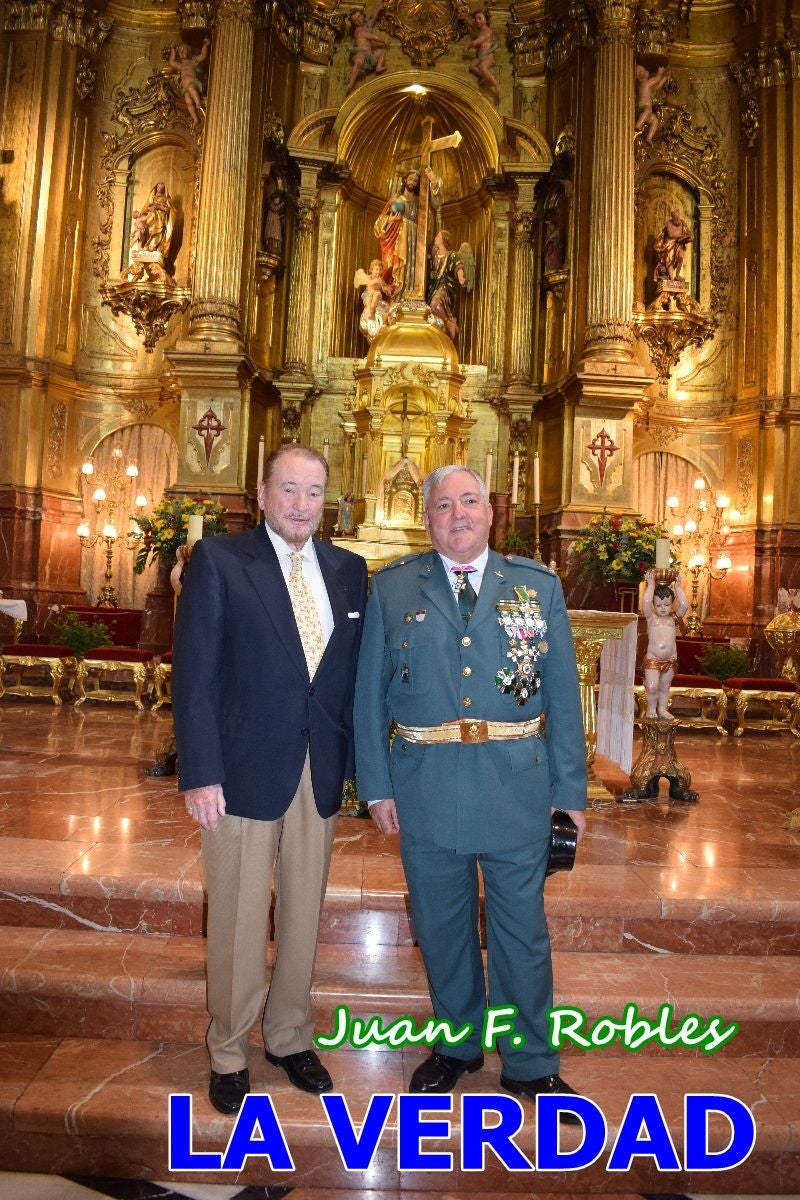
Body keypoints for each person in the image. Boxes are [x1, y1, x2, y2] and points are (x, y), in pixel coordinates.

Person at [353, 465, 587, 1114]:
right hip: (424, 787)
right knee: (443, 925)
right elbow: (368, 695)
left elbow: (563, 700)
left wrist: (569, 793)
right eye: (443, 505)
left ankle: (531, 1064)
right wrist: (374, 786)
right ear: (426, 517)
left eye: (470, 502)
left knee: (522, 932)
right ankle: (457, 1048)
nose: (457, 514)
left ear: (491, 513)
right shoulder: (394, 589)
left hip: (517, 788)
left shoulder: (537, 588)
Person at [172, 445, 367, 1115]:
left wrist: (361, 772)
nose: (300, 504)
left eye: (313, 492)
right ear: (263, 493)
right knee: (237, 913)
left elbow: (346, 684)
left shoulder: (349, 571)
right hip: (240, 770)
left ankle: (288, 1036)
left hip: (318, 770)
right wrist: (200, 771)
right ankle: (228, 1047)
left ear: (326, 500)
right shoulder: (222, 561)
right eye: (289, 489)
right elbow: (195, 675)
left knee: (305, 914)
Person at [374, 167, 440, 298]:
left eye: (415, 181)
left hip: (414, 236)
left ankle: (410, 293)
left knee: (412, 264)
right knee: (396, 264)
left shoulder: (419, 199)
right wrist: (392, 219)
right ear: (405, 180)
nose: (412, 183)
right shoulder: (396, 198)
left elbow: (435, 204)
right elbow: (379, 221)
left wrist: (433, 180)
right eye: (410, 179)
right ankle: (397, 295)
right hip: (397, 236)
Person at [641, 569, 689, 720]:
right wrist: (651, 585)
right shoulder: (651, 618)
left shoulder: (674, 618)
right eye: (659, 604)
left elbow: (684, 605)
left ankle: (662, 709)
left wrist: (678, 587)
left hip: (670, 660)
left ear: (671, 604)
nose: (663, 608)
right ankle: (650, 709)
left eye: (667, 604)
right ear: (654, 605)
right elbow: (646, 602)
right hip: (653, 659)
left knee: (665, 686)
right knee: (652, 686)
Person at [426, 230, 473, 342]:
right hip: (433, 286)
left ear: (444, 239)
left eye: (438, 236)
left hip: (446, 286)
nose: (435, 238)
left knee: (435, 303)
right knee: (431, 308)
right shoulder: (434, 253)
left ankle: (449, 322)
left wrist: (461, 278)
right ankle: (442, 328)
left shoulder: (452, 255)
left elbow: (458, 266)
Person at [167, 38, 211, 127]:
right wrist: (173, 50)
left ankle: (198, 102)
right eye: (181, 52)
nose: (183, 54)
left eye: (185, 51)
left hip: (194, 83)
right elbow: (171, 62)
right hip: (185, 88)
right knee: (188, 101)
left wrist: (205, 46)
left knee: (191, 88)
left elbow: (203, 56)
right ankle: (195, 118)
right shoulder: (180, 65)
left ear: (190, 52)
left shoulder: (193, 61)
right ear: (178, 54)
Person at [346, 9, 389, 95]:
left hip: (369, 55)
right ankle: (351, 83)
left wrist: (379, 9)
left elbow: (372, 19)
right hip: (361, 52)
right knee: (359, 62)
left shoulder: (365, 27)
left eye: (359, 17)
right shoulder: (359, 30)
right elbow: (373, 37)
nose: (358, 21)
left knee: (381, 52)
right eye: (355, 21)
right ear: (354, 24)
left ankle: (379, 67)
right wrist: (383, 39)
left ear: (362, 15)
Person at [353, 258, 393, 341]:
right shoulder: (370, 277)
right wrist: (377, 281)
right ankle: (370, 311)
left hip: (377, 299)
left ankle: (372, 310)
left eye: (380, 269)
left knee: (378, 294)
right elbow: (369, 283)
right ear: (372, 270)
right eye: (376, 269)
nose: (378, 271)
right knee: (373, 295)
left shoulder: (381, 280)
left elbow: (384, 289)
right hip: (369, 296)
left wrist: (388, 289)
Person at [466, 9, 499, 100]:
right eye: (476, 19)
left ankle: (496, 85)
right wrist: (465, 17)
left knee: (483, 68)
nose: (477, 20)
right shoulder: (479, 29)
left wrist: (468, 45)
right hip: (480, 57)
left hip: (488, 56)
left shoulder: (487, 31)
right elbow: (471, 24)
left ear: (486, 20)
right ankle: (485, 76)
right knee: (472, 66)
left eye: (480, 18)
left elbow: (477, 41)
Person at [654, 208, 693, 282]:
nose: (677, 219)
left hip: (679, 243)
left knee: (680, 257)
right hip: (669, 244)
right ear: (672, 217)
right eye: (675, 217)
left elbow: (688, 232)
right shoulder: (668, 223)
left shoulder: (682, 223)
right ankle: (671, 279)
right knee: (669, 261)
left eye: (678, 217)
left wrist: (690, 236)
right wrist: (683, 236)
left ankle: (677, 275)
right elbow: (671, 235)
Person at [635, 61, 669, 144]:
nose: (643, 72)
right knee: (646, 109)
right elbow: (656, 79)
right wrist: (660, 72)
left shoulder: (648, 85)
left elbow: (657, 87)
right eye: (640, 72)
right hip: (641, 108)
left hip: (647, 112)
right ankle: (637, 126)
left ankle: (649, 138)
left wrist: (665, 78)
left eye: (644, 70)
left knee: (655, 121)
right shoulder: (644, 84)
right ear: (637, 77)